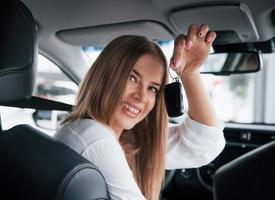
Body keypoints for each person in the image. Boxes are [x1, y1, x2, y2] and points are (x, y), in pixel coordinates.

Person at [54, 24, 225, 200]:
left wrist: (190, 73)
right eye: (132, 78)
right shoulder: (93, 135)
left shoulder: (128, 138)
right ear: (105, 75)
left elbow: (207, 144)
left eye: (152, 88)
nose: (141, 96)